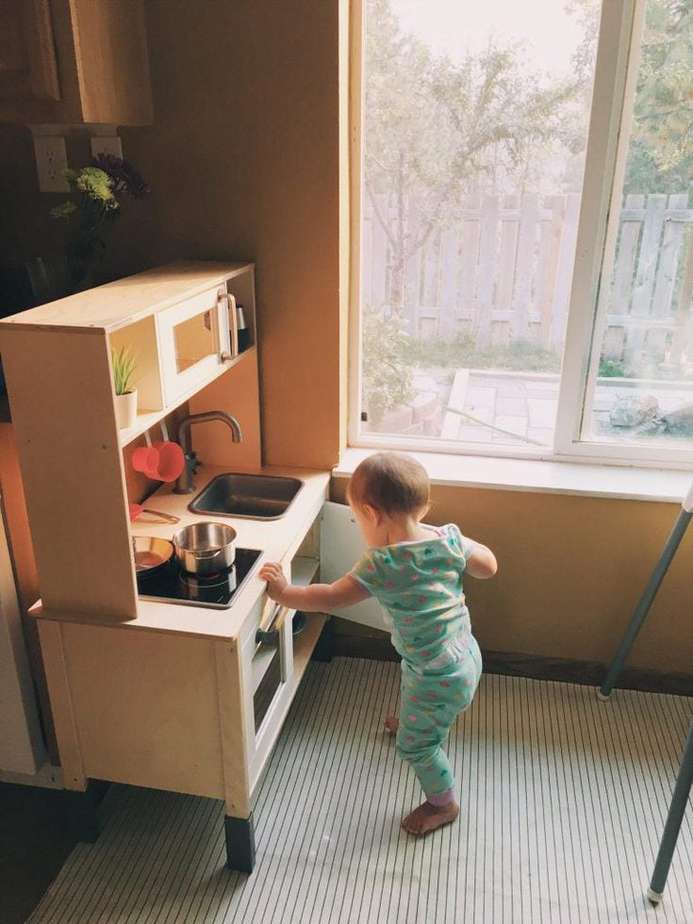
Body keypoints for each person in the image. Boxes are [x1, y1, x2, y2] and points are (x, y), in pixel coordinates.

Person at [259, 451, 497, 836]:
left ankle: (444, 803)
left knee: (417, 746)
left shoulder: (381, 566)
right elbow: (488, 566)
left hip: (436, 675)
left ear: (370, 513)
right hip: (465, 654)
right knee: (411, 677)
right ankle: (414, 720)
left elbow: (329, 597)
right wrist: (463, 545)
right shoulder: (447, 538)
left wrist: (285, 593)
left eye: (356, 519)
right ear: (423, 506)